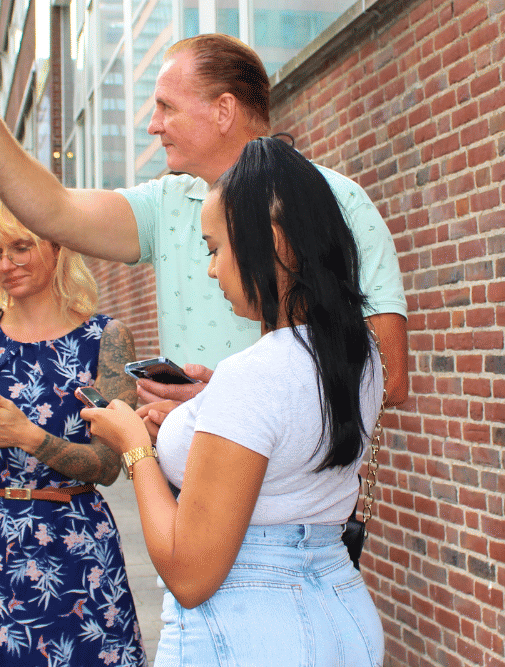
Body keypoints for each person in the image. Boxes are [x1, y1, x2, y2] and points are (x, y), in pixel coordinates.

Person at [0, 33, 408, 432]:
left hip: (291, 515)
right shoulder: (167, 201)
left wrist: (223, 402)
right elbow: (55, 212)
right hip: (184, 502)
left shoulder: (338, 203)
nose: (153, 125)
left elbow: (389, 377)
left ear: (223, 111)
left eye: (167, 106)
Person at [83, 137, 386, 666]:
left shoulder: (254, 374)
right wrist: (207, 408)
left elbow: (189, 575)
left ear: (272, 243)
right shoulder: (359, 355)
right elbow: (289, 436)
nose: (211, 270)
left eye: (214, 249)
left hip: (249, 624)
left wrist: (135, 447)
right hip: (341, 610)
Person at [0, 189, 147, 666]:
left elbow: (107, 467)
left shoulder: (105, 339)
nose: (6, 264)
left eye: (20, 247)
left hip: (76, 545)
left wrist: (25, 435)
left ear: (56, 245)